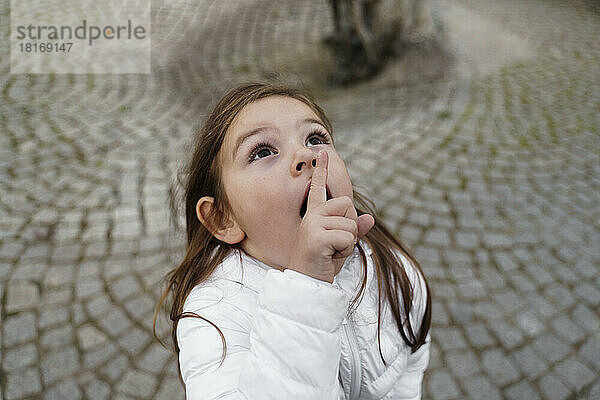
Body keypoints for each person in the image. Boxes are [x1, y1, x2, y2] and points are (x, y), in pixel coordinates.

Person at [154, 82, 432, 400]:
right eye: (262, 152)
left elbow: (412, 358)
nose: (306, 155)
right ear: (223, 219)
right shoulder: (214, 316)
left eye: (315, 138)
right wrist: (306, 287)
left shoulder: (386, 260)